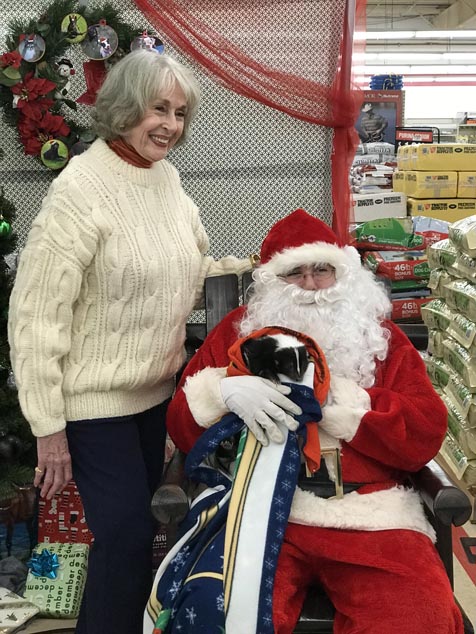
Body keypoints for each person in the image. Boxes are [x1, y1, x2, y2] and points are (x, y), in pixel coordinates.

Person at [8, 49, 252, 634]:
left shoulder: (164, 179)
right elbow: (36, 315)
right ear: (122, 109)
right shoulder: (80, 190)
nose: (170, 124)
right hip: (94, 408)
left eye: (179, 112)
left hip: (154, 399)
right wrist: (48, 428)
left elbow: (190, 269)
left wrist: (268, 272)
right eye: (156, 109)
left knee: (134, 543)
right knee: (127, 537)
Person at [145, 208, 463, 634]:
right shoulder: (236, 333)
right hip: (262, 510)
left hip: (372, 515)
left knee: (417, 619)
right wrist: (219, 392)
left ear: (344, 274)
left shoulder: (381, 338)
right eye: (295, 273)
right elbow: (183, 426)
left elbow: (424, 433)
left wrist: (344, 404)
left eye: (322, 270)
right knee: (216, 618)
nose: (312, 285)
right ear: (272, 283)